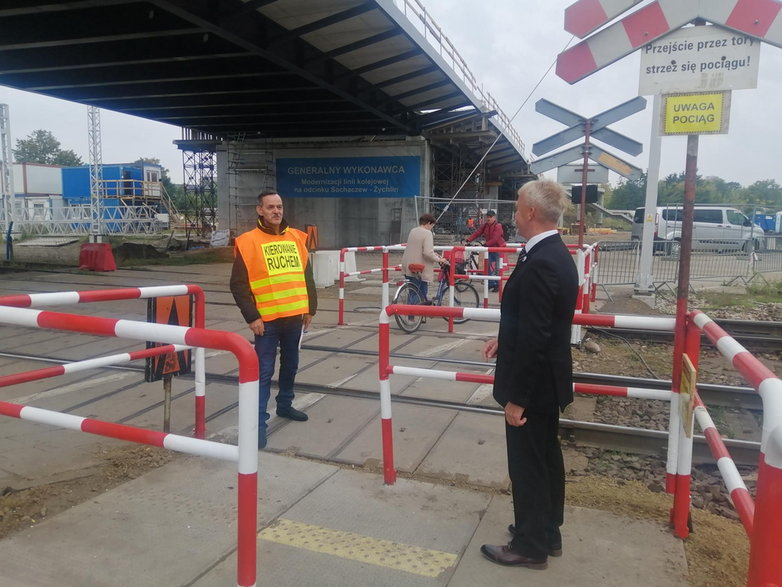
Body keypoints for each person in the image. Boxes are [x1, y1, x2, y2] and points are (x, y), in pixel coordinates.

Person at [479, 180, 578, 570]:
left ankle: (530, 546)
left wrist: (517, 397)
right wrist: (504, 338)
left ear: (531, 213)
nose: (514, 212)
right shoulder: (549, 253)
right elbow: (538, 321)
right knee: (545, 458)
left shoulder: (541, 261)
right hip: (545, 379)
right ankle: (545, 530)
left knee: (528, 465)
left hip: (532, 386)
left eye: (518, 206)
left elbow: (537, 334)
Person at [230, 190, 317, 450]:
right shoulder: (248, 242)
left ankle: (285, 405)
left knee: (290, 365)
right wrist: (252, 316)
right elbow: (238, 285)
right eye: (270, 207)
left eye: (279, 206)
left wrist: (310, 308)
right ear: (260, 210)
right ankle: (258, 424)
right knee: (264, 372)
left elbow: (307, 277)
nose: (276, 211)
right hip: (266, 322)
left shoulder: (297, 238)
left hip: (294, 317)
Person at [401, 213, 447, 302]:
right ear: (429, 223)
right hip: (419, 268)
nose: (432, 227)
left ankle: (409, 313)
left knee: (412, 291)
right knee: (421, 292)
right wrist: (439, 259)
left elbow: (418, 248)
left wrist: (435, 254)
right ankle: (414, 312)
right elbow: (427, 252)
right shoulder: (427, 233)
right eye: (432, 225)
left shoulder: (413, 231)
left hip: (408, 266)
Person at [465, 209, 505, 291]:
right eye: (487, 217)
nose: (488, 219)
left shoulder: (498, 226)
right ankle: (490, 283)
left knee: (498, 268)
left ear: (494, 217)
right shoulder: (485, 225)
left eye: (490, 217)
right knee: (487, 266)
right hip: (489, 249)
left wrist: (486, 244)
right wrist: (469, 240)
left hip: (498, 249)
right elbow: (477, 232)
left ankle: (497, 285)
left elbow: (496, 238)